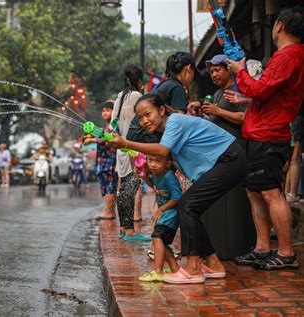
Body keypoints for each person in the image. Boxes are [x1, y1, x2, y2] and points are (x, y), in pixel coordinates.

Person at [107, 94, 246, 284]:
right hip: (225, 161)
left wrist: (124, 143)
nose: (144, 121)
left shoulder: (175, 122)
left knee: (187, 205)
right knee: (190, 208)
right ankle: (213, 264)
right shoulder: (167, 132)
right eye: (140, 118)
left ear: (162, 110)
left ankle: (193, 268)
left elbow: (162, 151)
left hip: (230, 158)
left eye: (148, 114)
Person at [228, 6, 304, 270]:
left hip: (269, 133)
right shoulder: (290, 56)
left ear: (280, 25)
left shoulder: (288, 55)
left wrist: (240, 71)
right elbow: (269, 94)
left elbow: (260, 89)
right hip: (261, 130)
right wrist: (246, 97)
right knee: (255, 191)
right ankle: (263, 247)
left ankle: (285, 253)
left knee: (271, 192)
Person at [111, 64, 150, 242]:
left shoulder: (120, 96)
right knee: (131, 187)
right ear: (139, 80)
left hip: (121, 147)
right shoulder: (137, 96)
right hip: (133, 147)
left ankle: (124, 229)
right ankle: (130, 232)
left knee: (124, 187)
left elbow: (113, 123)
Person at [138, 154, 181, 282]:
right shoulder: (157, 174)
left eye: (158, 161)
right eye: (150, 160)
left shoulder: (169, 176)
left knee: (157, 237)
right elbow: (155, 188)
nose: (153, 164)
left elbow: (177, 197)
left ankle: (158, 271)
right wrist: (143, 176)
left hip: (170, 214)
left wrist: (161, 209)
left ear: (168, 164)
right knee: (161, 241)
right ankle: (175, 269)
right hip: (165, 214)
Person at [201, 54, 246, 146]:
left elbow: (244, 117)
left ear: (229, 70)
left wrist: (218, 111)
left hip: (235, 147)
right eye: (211, 72)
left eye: (217, 70)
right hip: (219, 146)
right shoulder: (217, 93)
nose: (213, 75)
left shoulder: (238, 90)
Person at [84, 100, 118, 220]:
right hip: (104, 161)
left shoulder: (113, 125)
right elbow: (102, 135)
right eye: (103, 111)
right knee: (106, 185)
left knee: (109, 185)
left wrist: (91, 140)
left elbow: (107, 139)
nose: (104, 113)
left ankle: (109, 212)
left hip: (109, 161)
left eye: (108, 110)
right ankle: (109, 211)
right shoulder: (107, 127)